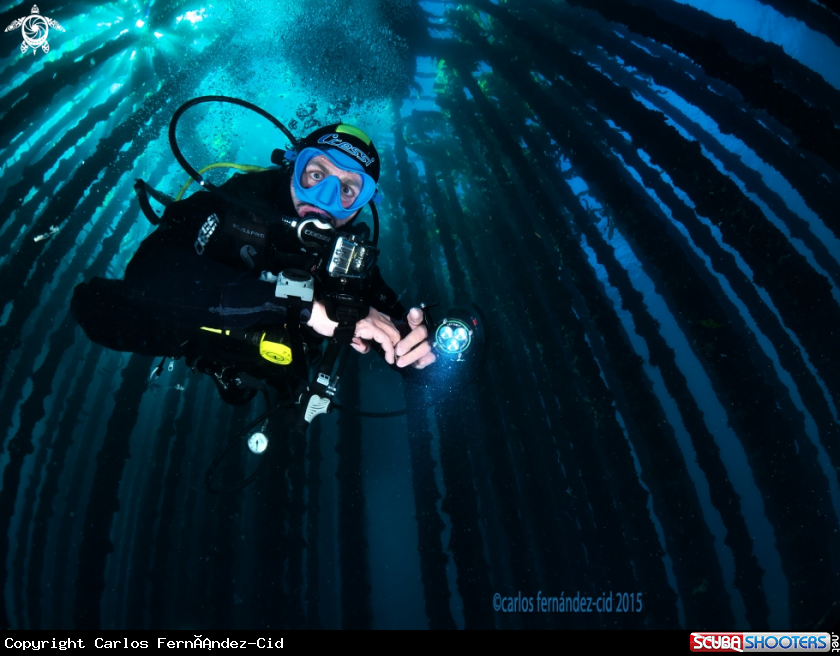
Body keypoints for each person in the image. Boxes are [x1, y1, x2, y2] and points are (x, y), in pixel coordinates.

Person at [71, 123, 435, 404]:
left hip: (275, 365)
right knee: (97, 308)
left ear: (360, 205)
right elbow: (149, 274)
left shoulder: (349, 260)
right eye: (316, 174)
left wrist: (419, 353)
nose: (325, 198)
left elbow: (396, 330)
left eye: (348, 189)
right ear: (293, 167)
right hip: (192, 330)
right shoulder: (236, 203)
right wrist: (307, 307)